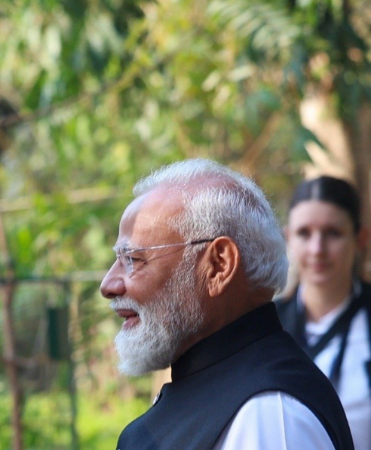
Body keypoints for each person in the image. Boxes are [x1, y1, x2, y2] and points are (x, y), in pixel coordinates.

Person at [100, 159, 354, 450]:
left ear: (219, 265)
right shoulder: (227, 390)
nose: (109, 284)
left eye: (132, 259)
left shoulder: (270, 414)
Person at [276, 176, 371, 450]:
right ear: (288, 238)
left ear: (360, 238)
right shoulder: (264, 325)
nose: (318, 250)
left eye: (333, 233)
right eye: (304, 233)